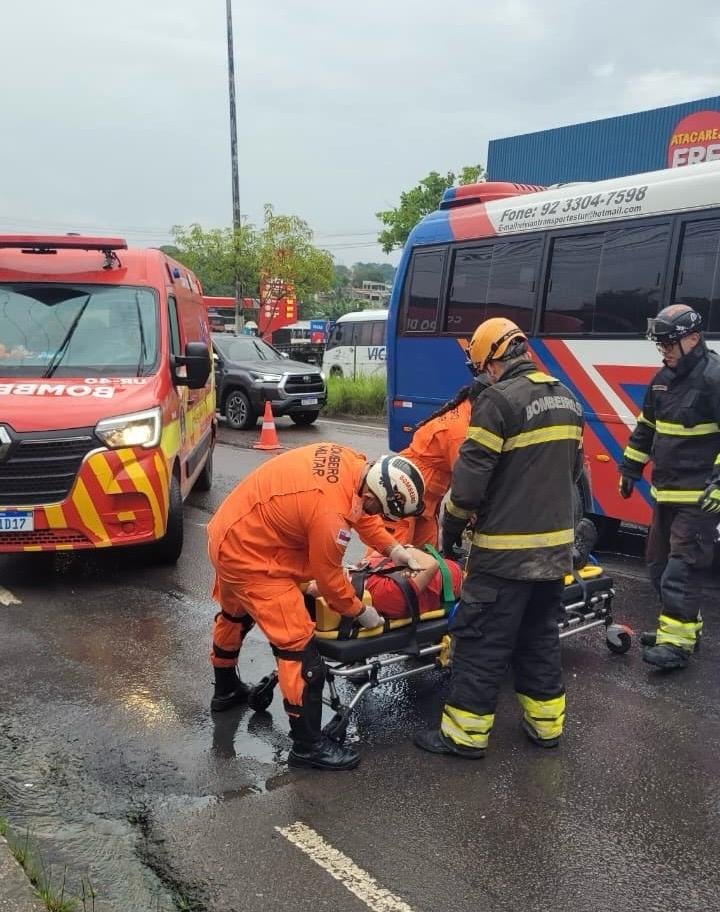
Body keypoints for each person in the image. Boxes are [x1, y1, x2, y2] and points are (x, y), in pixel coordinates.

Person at [413, 317, 584, 758]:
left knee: (481, 643)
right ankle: (547, 728)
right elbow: (574, 474)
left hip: (503, 558)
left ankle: (463, 736)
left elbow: (467, 489)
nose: (481, 376)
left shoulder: (497, 402)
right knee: (539, 640)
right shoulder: (567, 398)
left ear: (491, 361)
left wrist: (449, 531)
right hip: (554, 557)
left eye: (479, 368)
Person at [206, 443, 426, 771]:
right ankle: (308, 747)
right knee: (298, 648)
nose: (377, 515)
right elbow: (331, 582)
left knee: (235, 615)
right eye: (379, 508)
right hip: (250, 554)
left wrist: (394, 550)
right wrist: (359, 612)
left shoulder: (355, 464)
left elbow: (362, 514)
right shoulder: (330, 515)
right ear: (375, 490)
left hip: (235, 530)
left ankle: (225, 691)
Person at [618, 304, 720, 671]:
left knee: (682, 569)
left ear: (693, 339)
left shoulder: (714, 377)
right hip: (665, 493)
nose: (663, 351)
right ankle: (680, 627)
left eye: (669, 344)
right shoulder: (661, 379)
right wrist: (629, 468)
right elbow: (646, 428)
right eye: (660, 345)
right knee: (658, 567)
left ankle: (676, 644)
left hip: (698, 498)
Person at [362, 373, 491, 551]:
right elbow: (468, 483)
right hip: (403, 491)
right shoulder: (460, 431)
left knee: (428, 557)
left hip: (424, 498)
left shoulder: (467, 412)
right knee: (389, 558)